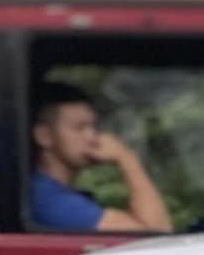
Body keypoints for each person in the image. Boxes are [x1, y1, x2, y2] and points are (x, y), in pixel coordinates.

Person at [28, 84, 172, 234]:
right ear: (44, 136)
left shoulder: (48, 193)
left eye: (94, 127)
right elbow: (157, 233)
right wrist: (127, 159)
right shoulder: (49, 200)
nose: (92, 138)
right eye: (79, 128)